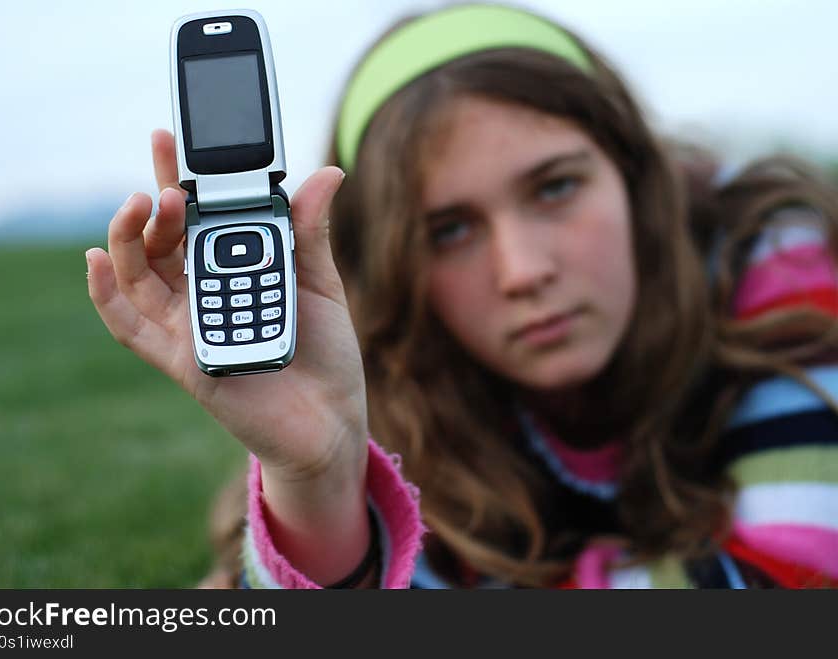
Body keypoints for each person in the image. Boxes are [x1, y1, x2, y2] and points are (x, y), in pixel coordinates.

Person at [88, 3, 838, 588]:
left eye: (556, 187)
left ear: (637, 176)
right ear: (393, 267)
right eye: (448, 231)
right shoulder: (397, 387)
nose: (522, 271)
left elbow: (785, 584)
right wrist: (315, 477)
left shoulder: (780, 271)